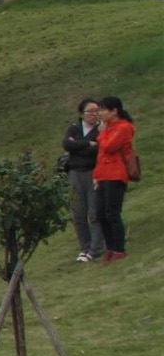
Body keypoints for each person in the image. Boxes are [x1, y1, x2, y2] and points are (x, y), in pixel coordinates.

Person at [92, 95, 137, 263]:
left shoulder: (123, 127)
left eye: (103, 110)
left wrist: (102, 134)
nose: (100, 113)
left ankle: (119, 249)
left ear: (114, 111)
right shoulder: (109, 128)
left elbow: (109, 146)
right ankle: (110, 248)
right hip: (103, 174)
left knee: (112, 213)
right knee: (100, 214)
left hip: (116, 174)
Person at [64, 98, 105, 261]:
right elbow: (67, 145)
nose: (95, 114)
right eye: (91, 111)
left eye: (97, 111)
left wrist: (80, 145)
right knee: (78, 213)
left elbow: (97, 149)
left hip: (93, 172)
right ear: (82, 114)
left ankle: (96, 248)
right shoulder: (74, 128)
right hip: (75, 173)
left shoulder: (101, 129)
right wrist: (89, 144)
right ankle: (85, 247)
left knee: (94, 212)